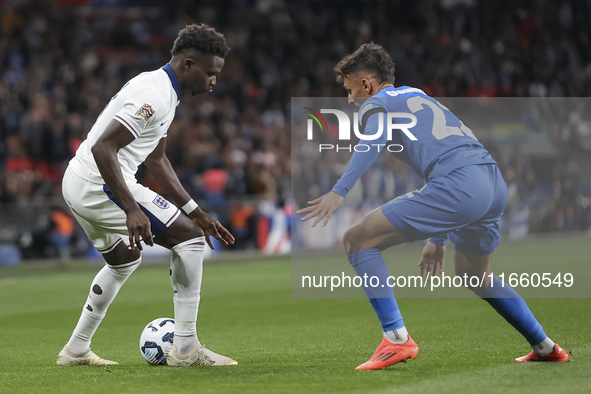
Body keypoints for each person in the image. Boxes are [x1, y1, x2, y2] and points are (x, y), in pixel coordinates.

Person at [297, 43, 568, 370]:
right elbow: (446, 158)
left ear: (366, 83)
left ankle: (396, 339)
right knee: (475, 276)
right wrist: (438, 238)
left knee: (358, 239)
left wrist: (339, 191)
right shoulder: (416, 95)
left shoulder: (376, 103)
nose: (350, 99)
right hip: (491, 181)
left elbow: (374, 140)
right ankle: (545, 345)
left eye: (350, 89)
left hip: (460, 182)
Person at [57, 24, 237, 367]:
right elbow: (104, 147)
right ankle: (185, 350)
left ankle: (76, 349)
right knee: (191, 241)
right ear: (188, 65)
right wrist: (131, 209)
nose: (214, 81)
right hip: (101, 184)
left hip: (79, 181)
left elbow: (156, 158)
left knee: (123, 260)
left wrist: (194, 210)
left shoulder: (162, 90)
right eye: (211, 73)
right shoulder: (154, 96)